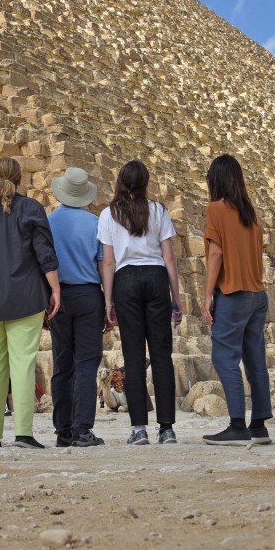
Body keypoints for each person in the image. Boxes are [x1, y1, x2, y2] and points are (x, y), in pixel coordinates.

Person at [0, 157, 60, 449]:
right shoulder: (32, 209)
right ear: (21, 179)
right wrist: (55, 289)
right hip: (26, 298)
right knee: (23, 365)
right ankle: (23, 434)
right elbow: (45, 254)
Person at [99, 160, 181, 446]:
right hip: (156, 279)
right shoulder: (158, 211)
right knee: (161, 356)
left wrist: (108, 301)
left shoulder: (108, 214)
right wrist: (176, 299)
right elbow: (169, 257)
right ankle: (167, 428)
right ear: (146, 182)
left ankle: (139, 429)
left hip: (126, 281)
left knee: (133, 357)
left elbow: (109, 262)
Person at [201, 154, 272, 446]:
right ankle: (259, 426)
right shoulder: (251, 215)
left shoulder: (216, 209)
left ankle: (237, 425)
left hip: (233, 293)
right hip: (258, 295)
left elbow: (216, 254)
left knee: (224, 357)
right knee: (255, 359)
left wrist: (207, 294)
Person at [46, 167, 106, 448]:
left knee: (62, 364)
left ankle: (63, 430)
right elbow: (103, 265)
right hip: (89, 295)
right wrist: (109, 302)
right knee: (86, 363)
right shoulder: (95, 223)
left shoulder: (48, 222)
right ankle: (82, 429)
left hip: (57, 296)